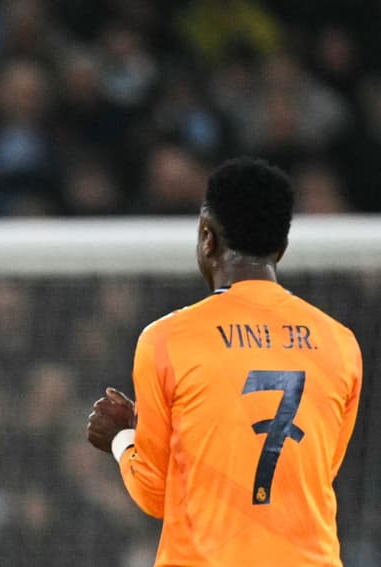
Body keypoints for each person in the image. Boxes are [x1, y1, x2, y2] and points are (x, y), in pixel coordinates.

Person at [87, 156, 362, 566]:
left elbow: (155, 494)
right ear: (281, 248)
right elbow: (319, 469)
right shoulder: (340, 344)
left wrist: (122, 437)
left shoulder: (167, 341)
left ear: (206, 236)